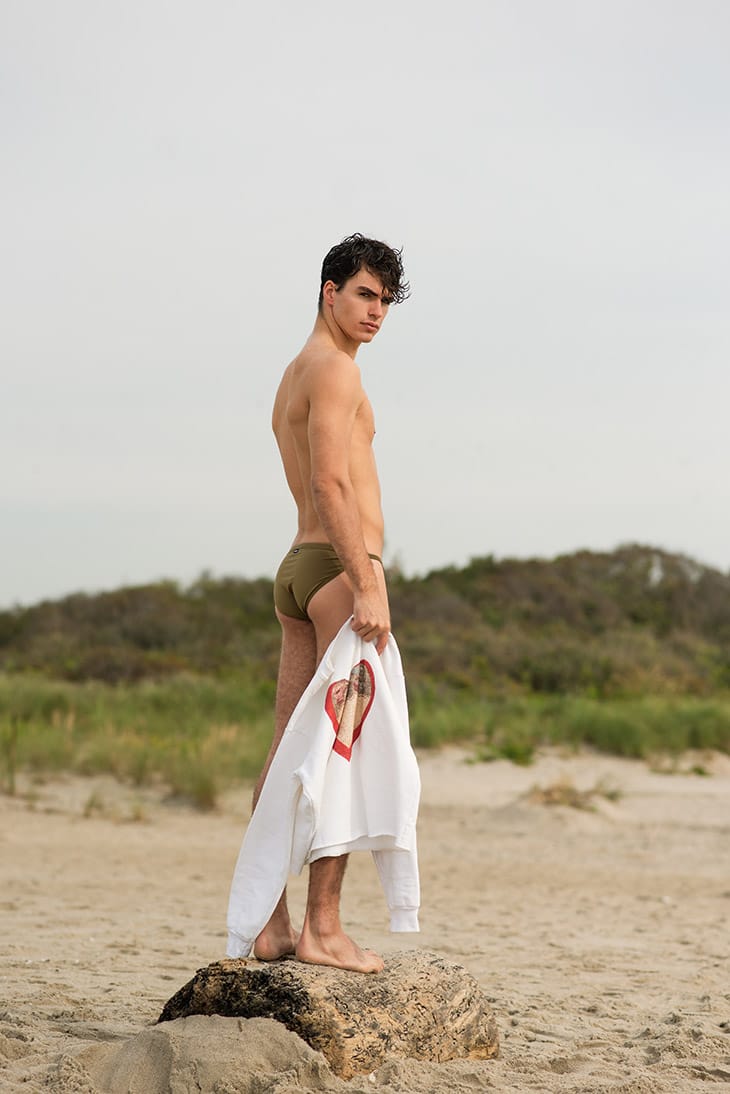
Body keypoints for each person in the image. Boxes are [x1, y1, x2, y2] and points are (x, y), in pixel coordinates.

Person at [254, 233, 410, 973]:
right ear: (329, 292)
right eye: (365, 294)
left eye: (385, 300)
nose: (376, 311)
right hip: (337, 572)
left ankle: (270, 925)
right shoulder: (336, 370)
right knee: (346, 753)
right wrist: (368, 581)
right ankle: (322, 929)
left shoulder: (295, 372)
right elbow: (330, 482)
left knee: (289, 749)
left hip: (297, 570)